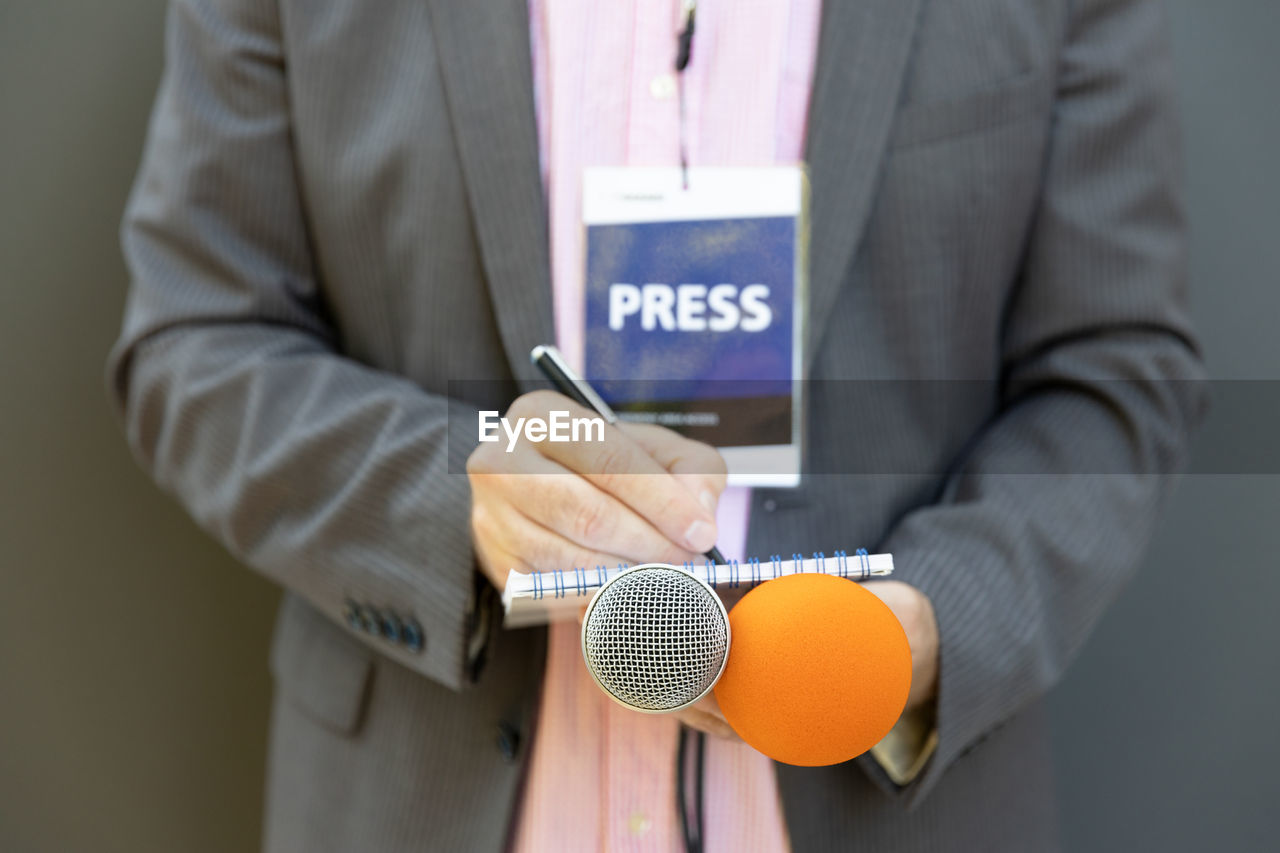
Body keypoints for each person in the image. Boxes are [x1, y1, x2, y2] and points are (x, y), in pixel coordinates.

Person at [108, 0, 1206, 850]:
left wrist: (930, 628)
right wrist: (456, 495)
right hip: (415, 798)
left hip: (888, 806)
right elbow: (195, 342)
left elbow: (1113, 373)